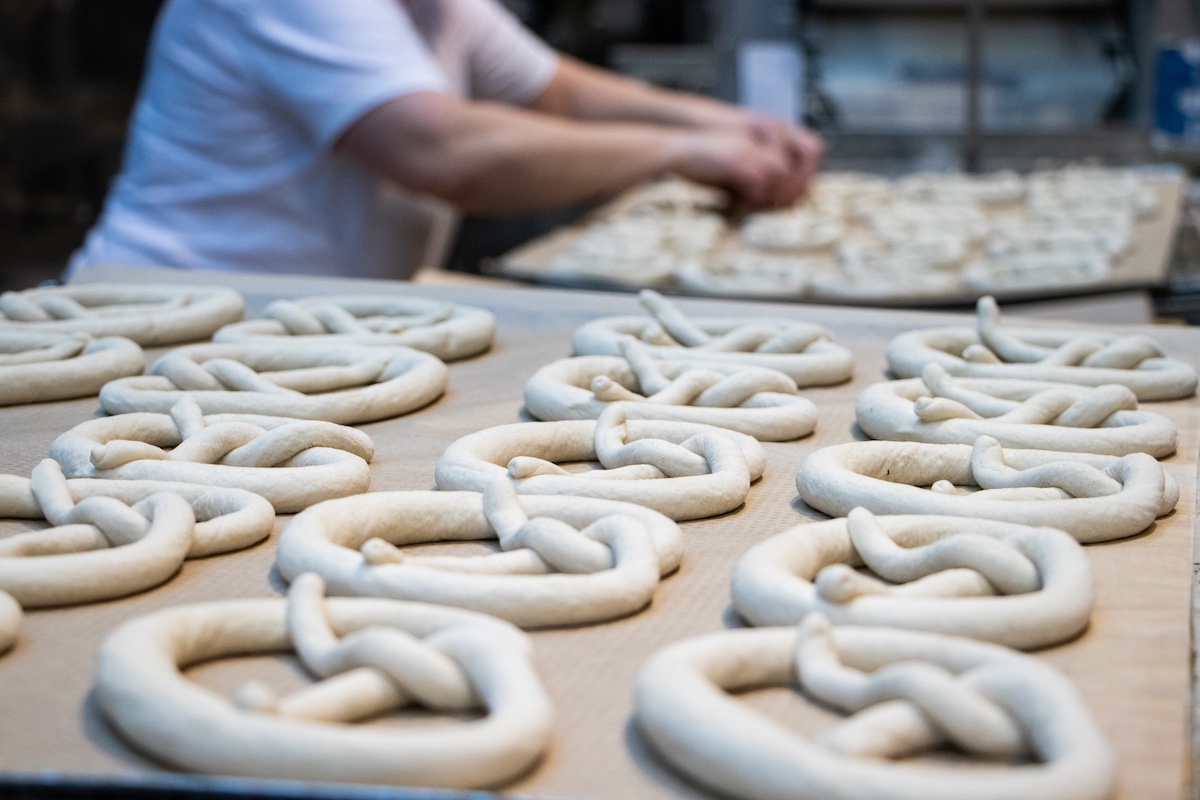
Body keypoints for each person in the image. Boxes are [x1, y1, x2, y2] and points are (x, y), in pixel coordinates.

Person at [71, 0, 823, 280]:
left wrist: (725, 125)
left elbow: (556, 89)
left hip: (310, 324)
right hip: (168, 309)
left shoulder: (438, 6)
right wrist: (678, 155)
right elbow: (437, 149)